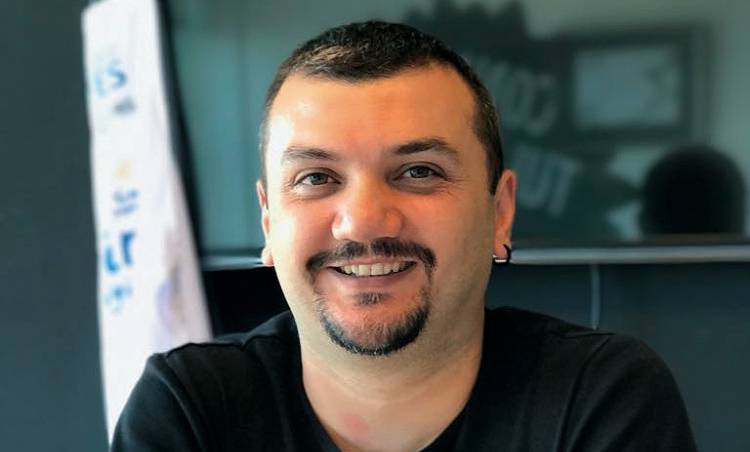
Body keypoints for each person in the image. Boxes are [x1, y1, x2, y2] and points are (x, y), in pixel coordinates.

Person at [112, 21, 697, 451]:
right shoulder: (189, 409)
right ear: (269, 221)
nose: (364, 221)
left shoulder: (599, 396)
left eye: (418, 172)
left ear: (499, 212)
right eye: (316, 178)